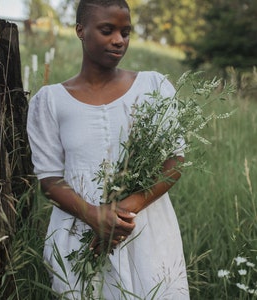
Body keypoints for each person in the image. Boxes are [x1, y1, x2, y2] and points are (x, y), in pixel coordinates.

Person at [27, 0, 190, 298]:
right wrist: (93, 216)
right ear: (80, 30)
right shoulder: (50, 101)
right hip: (79, 236)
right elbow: (49, 179)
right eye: (107, 30)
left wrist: (124, 211)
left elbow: (175, 161)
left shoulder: (153, 86)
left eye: (125, 32)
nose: (119, 40)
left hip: (144, 233)